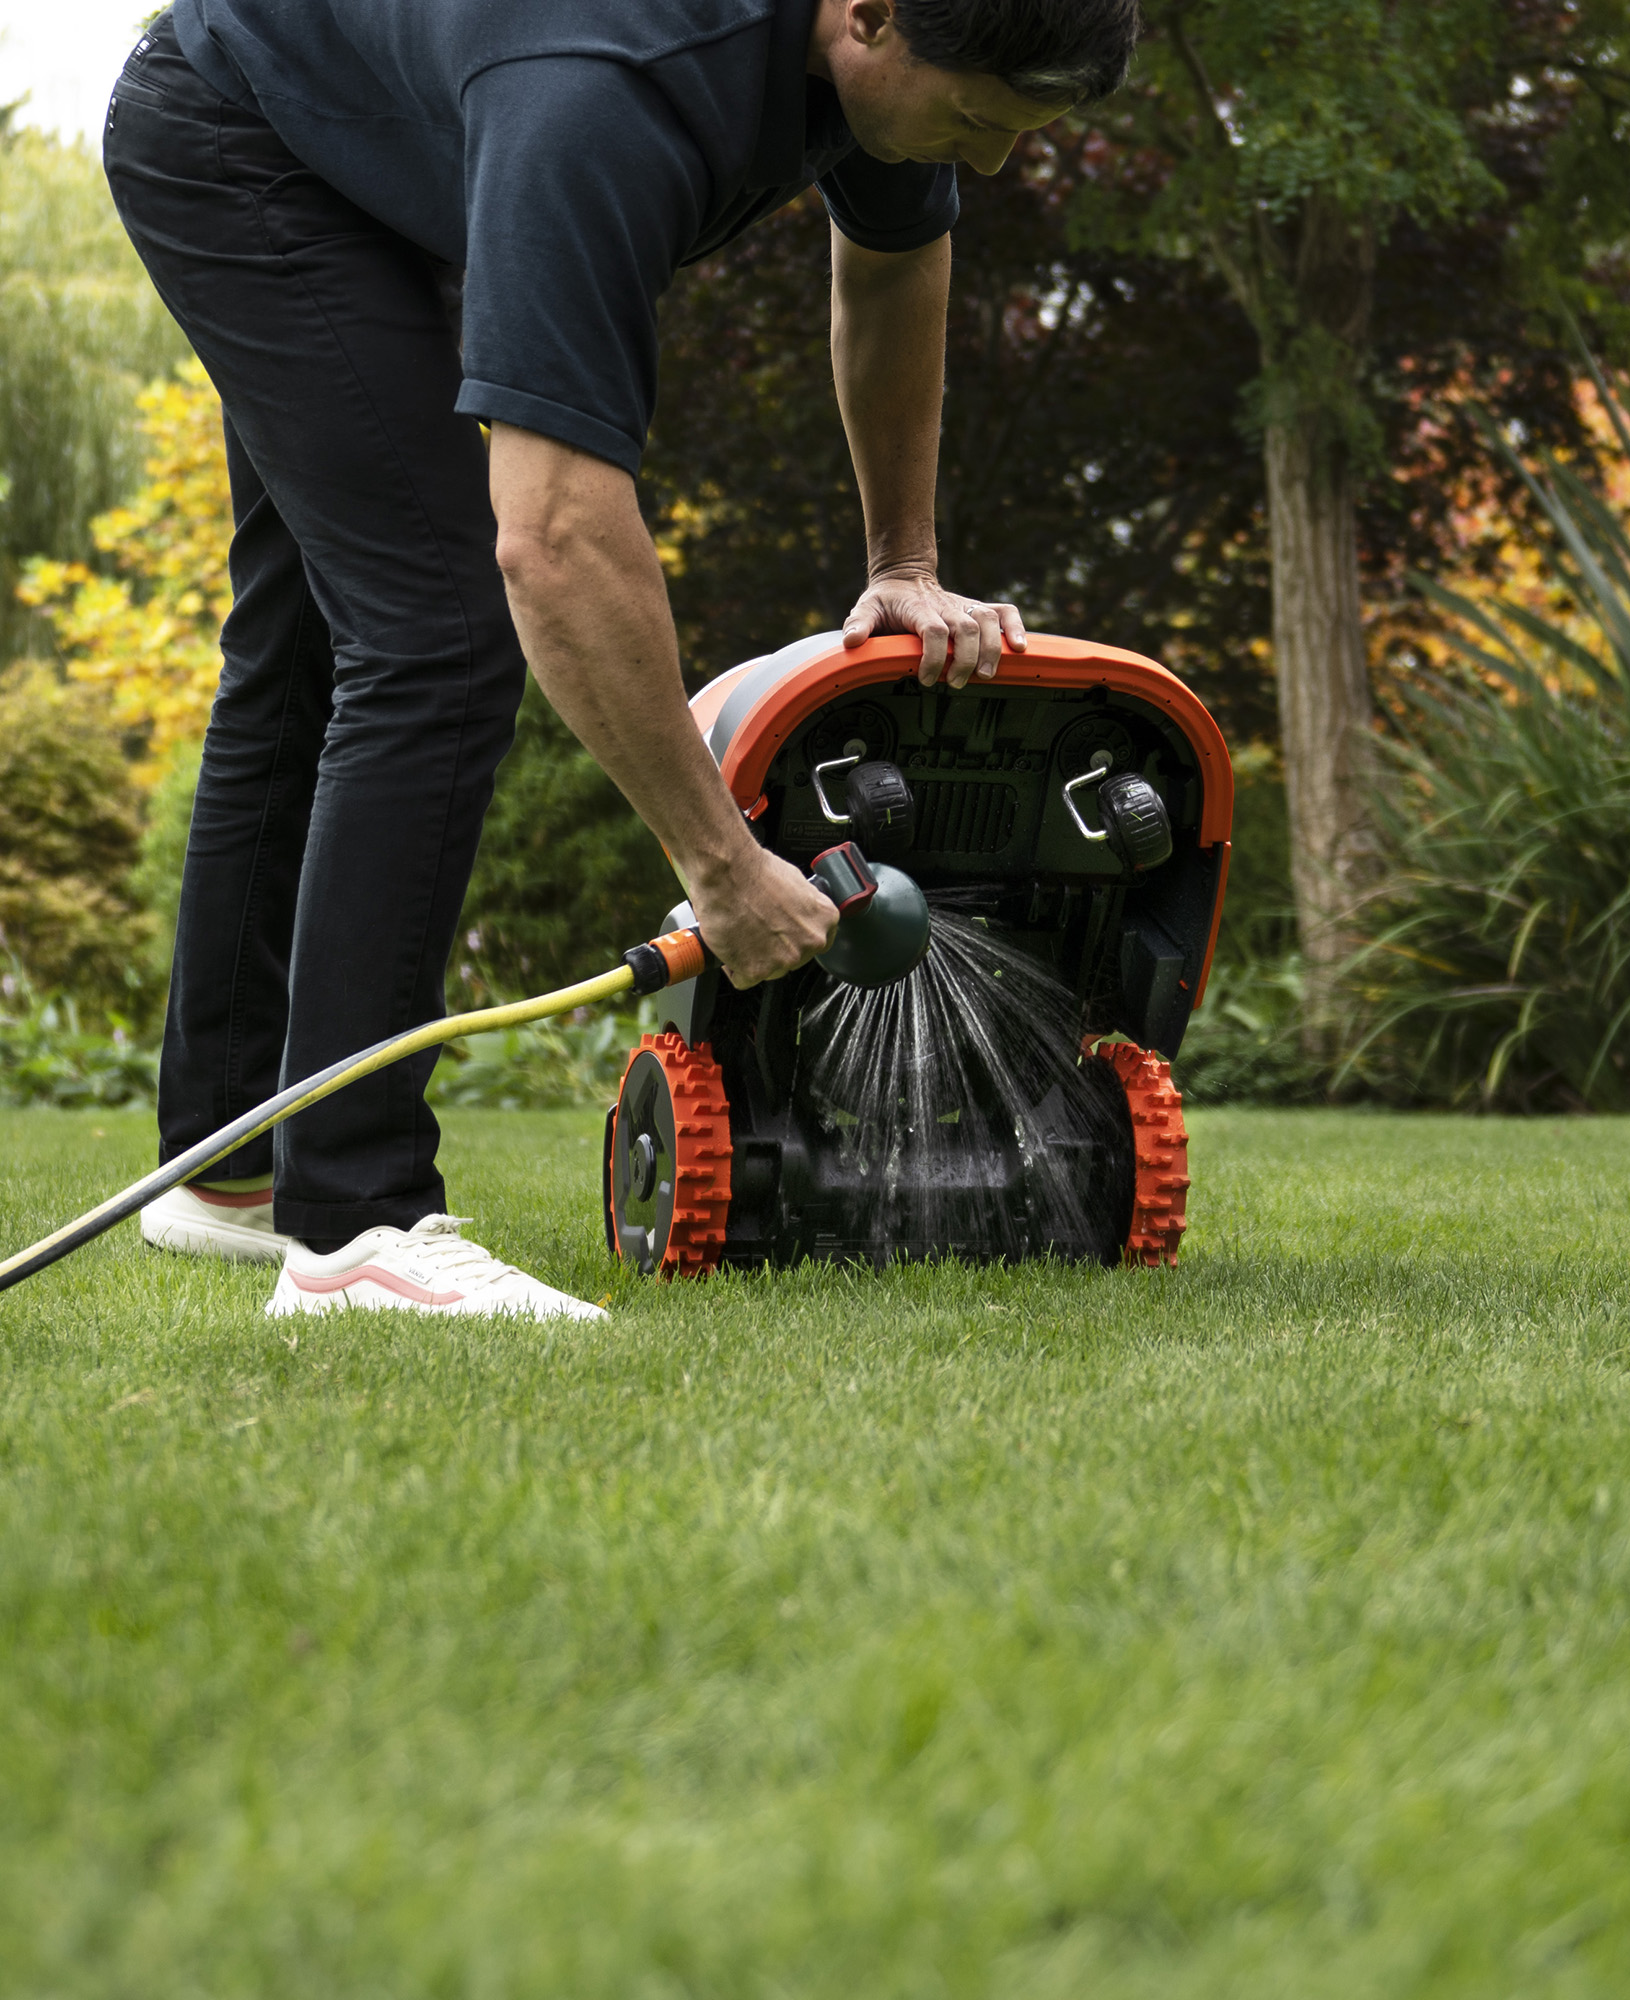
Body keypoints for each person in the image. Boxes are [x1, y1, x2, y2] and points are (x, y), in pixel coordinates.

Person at [114, 0, 1140, 1321]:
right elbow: (552, 541)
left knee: (311, 638)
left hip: (369, 140)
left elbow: (894, 268)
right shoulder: (602, 95)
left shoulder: (890, 62)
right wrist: (721, 865)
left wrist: (905, 560)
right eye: (980, 119)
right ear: (868, 16)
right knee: (434, 631)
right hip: (240, 130)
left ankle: (228, 1171)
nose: (990, 159)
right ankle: (356, 1224)